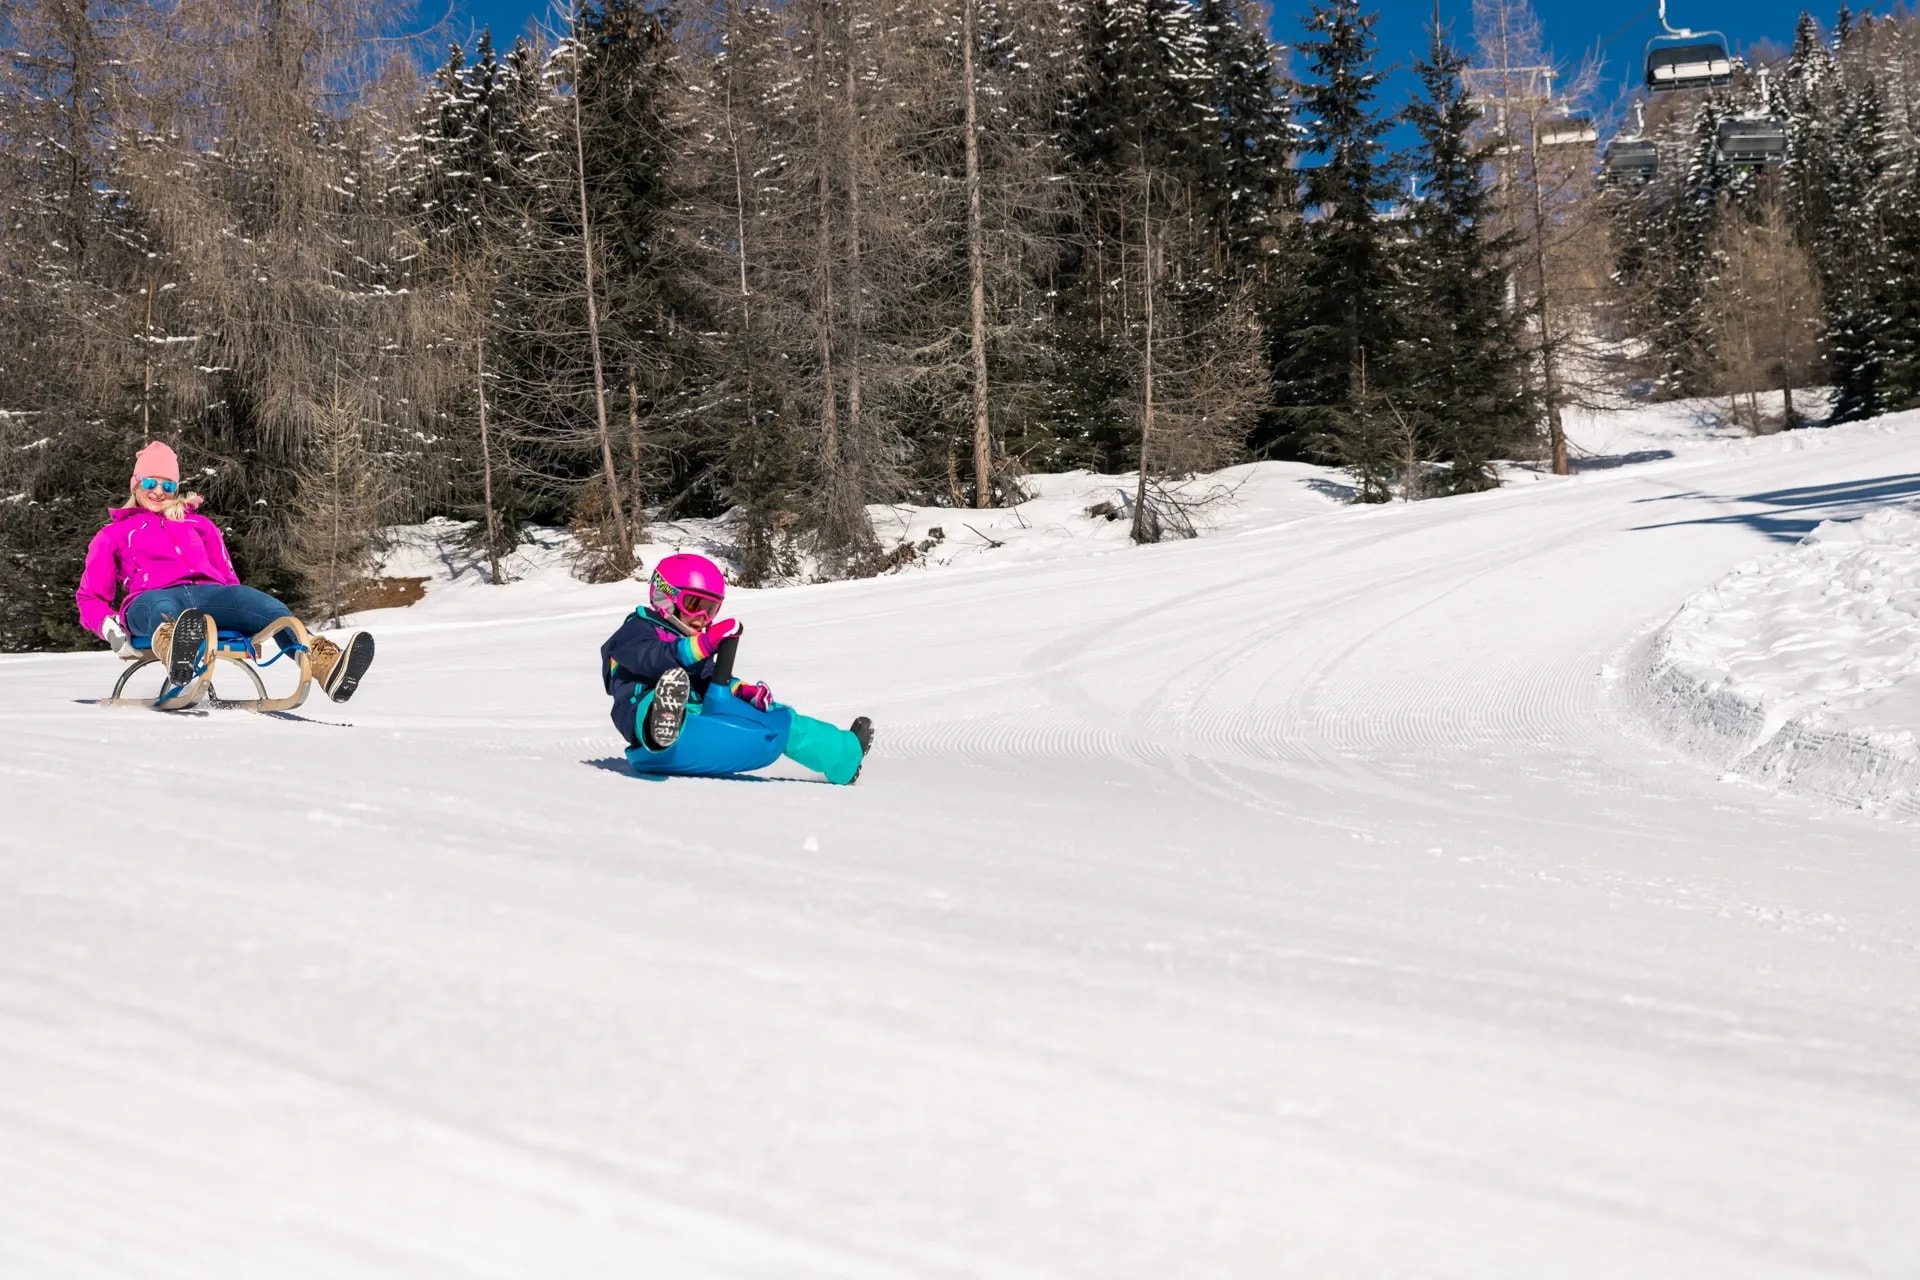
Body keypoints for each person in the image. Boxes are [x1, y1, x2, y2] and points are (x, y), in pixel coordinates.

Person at [75, 441, 375, 702]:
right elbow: (90, 597)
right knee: (163, 609)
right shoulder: (114, 534)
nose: (158, 492)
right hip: (149, 601)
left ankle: (326, 666)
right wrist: (110, 629)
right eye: (150, 483)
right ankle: (178, 652)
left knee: (272, 608)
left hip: (211, 597)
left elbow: (229, 580)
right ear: (136, 483)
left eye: (167, 485)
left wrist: (245, 616)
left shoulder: (199, 525)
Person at [600, 552, 873, 783]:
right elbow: (653, 659)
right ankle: (661, 726)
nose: (703, 618)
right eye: (695, 605)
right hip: (641, 711)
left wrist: (742, 691)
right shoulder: (637, 630)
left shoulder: (692, 644)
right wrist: (703, 645)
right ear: (664, 597)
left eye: (711, 609)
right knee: (656, 698)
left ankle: (844, 755)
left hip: (695, 716)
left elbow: (711, 678)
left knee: (782, 717)